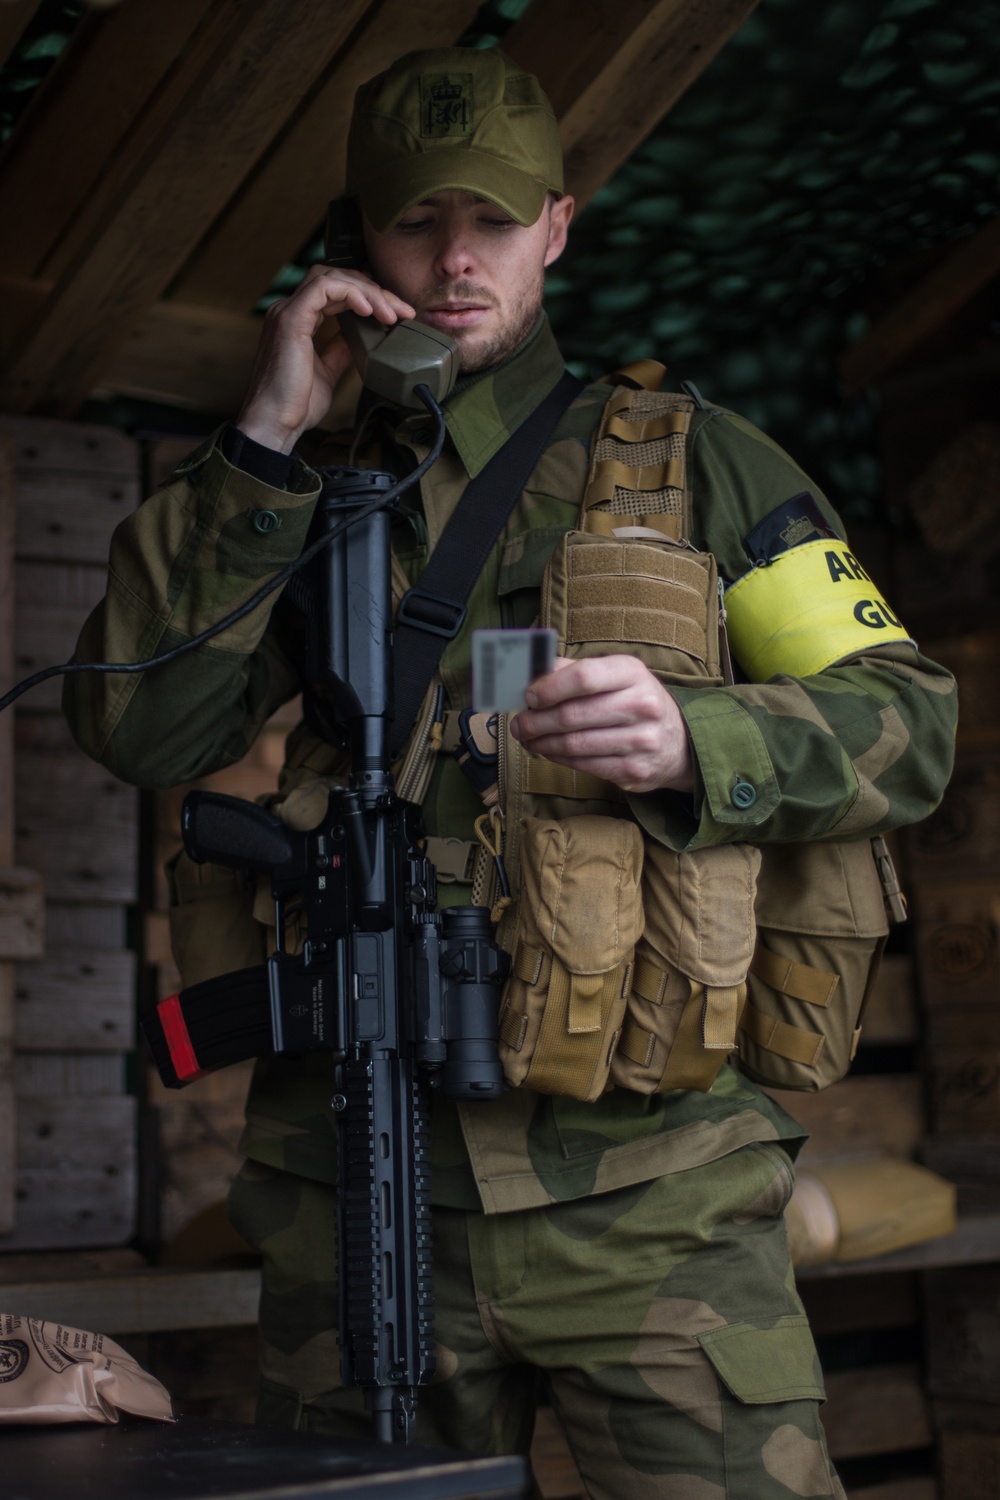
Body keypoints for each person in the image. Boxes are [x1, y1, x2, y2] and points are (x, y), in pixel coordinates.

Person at [65, 46, 956, 1500]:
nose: (456, 257)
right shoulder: (292, 491)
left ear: (559, 223)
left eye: (492, 220)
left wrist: (701, 741)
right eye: (417, 223)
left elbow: (912, 721)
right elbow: (138, 731)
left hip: (649, 1209)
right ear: (360, 243)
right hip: (358, 1196)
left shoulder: (705, 470)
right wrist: (267, 439)